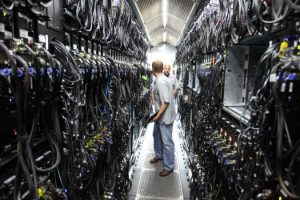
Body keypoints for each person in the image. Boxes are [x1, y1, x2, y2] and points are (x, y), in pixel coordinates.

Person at [150, 60, 176, 177]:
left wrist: (157, 116)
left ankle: (169, 166)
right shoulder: (160, 79)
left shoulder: (161, 81)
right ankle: (159, 155)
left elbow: (165, 102)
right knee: (156, 135)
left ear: (153, 70)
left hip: (164, 116)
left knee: (167, 142)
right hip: (160, 115)